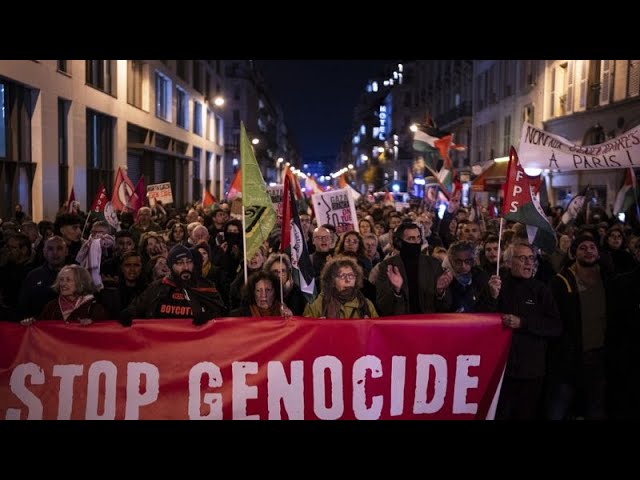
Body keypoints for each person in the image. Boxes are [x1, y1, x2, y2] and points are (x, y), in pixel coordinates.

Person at [495, 243, 561, 419]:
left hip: (531, 371)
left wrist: (523, 323)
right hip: (501, 370)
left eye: (531, 258)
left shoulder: (541, 290)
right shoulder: (497, 286)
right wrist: (490, 296)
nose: (528, 263)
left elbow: (555, 327)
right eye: (522, 258)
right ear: (509, 262)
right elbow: (481, 319)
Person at [120, 244, 226, 326]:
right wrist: (128, 314)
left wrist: (208, 317)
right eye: (179, 263)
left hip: (196, 345)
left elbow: (221, 314)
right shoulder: (158, 287)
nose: (185, 267)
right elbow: (137, 306)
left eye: (189, 262)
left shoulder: (206, 287)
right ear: (171, 266)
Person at [375, 222, 447, 316]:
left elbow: (446, 306)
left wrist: (440, 292)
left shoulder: (433, 264)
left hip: (428, 322)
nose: (417, 242)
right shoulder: (387, 266)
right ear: (399, 243)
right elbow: (383, 306)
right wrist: (396, 291)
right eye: (411, 238)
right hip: (401, 323)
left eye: (418, 237)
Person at [21, 264, 109, 325]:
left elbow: (102, 334)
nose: (63, 284)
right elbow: (40, 329)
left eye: (68, 280)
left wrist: (92, 325)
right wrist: (31, 323)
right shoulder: (51, 306)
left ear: (81, 283)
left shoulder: (94, 308)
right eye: (61, 280)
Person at [304, 256, 378, 319]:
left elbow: (377, 332)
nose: (347, 280)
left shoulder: (366, 305)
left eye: (351, 276)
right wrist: (316, 327)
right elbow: (306, 332)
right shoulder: (317, 304)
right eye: (342, 276)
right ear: (332, 280)